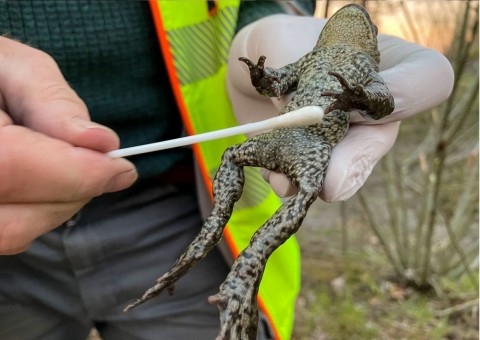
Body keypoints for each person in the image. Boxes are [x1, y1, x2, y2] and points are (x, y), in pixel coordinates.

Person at [0, 1, 453, 340]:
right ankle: (216, 242)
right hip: (18, 255)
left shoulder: (360, 66)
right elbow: (276, 82)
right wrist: (262, 75)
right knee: (238, 162)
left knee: (270, 228)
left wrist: (274, 17)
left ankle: (229, 276)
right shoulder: (320, 60)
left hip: (178, 202)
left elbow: (377, 100)